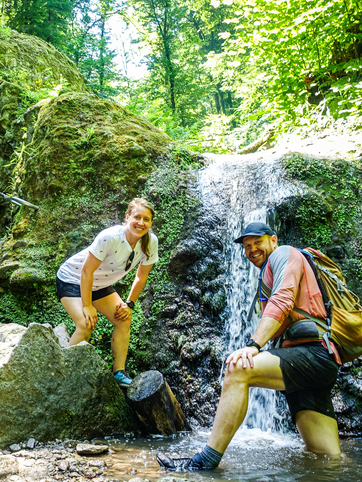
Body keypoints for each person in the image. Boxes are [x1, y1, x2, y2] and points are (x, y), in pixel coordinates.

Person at [158, 222, 341, 470]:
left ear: (273, 240)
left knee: (238, 368)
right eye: (247, 246)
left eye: (258, 242)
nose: (252, 249)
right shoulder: (269, 269)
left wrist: (254, 345)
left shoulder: (284, 253)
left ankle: (203, 462)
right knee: (328, 459)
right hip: (307, 367)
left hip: (314, 354)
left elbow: (283, 299)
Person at [56, 198, 159, 387]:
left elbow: (141, 277)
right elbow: (86, 271)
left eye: (146, 219)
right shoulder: (110, 237)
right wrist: (87, 305)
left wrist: (129, 304)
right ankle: (64, 376)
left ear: (151, 223)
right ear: (127, 217)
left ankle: (119, 374)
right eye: (137, 217)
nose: (141, 223)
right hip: (72, 278)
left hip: (99, 284)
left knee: (123, 318)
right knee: (86, 324)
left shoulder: (150, 242)